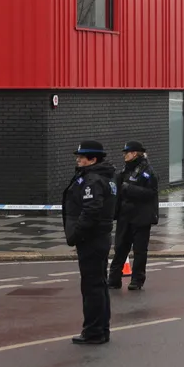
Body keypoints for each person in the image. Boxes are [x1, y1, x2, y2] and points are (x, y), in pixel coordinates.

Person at [63, 140, 116, 345]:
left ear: (93, 159)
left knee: (92, 286)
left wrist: (76, 234)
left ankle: (94, 331)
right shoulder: (104, 177)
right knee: (99, 285)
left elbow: (91, 210)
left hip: (92, 238)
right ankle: (101, 328)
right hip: (98, 236)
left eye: (81, 158)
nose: (78, 160)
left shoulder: (93, 180)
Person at [107, 141, 159, 291]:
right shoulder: (125, 170)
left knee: (139, 251)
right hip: (125, 216)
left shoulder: (147, 171)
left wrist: (129, 188)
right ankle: (114, 279)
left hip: (141, 218)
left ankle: (137, 280)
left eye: (127, 153)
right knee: (120, 248)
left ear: (135, 153)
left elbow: (151, 193)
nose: (124, 155)